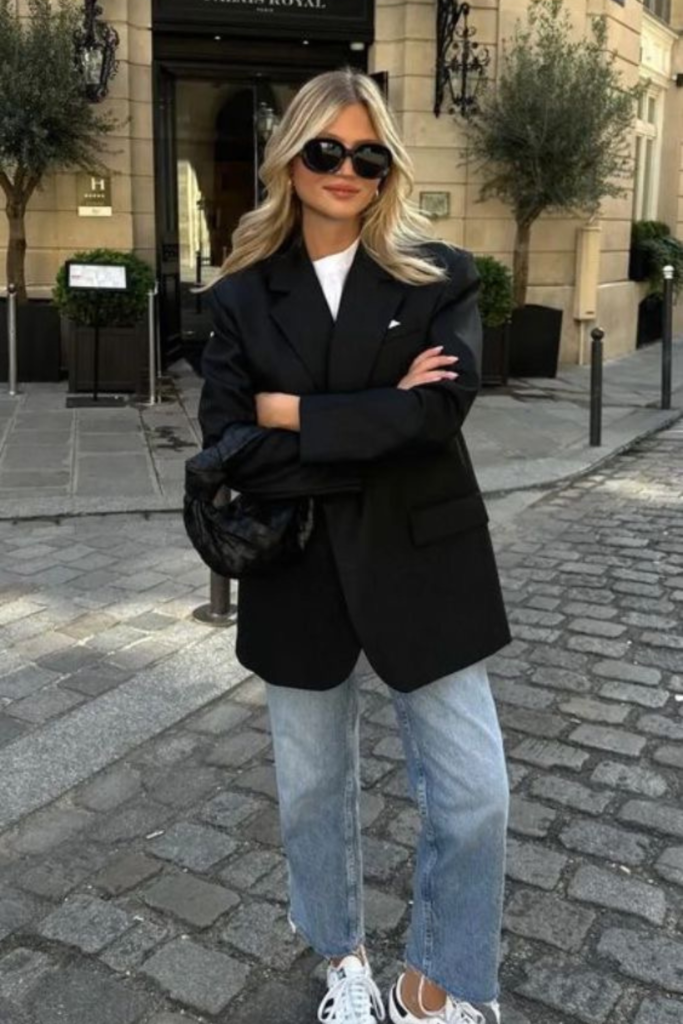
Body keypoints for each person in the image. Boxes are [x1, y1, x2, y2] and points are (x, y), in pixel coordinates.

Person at [195, 68, 511, 1024]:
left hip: (426, 560)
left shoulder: (439, 275)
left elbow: (439, 415)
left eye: (367, 155)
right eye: (325, 149)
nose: (346, 169)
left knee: (476, 793)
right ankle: (344, 958)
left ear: (387, 170)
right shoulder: (242, 296)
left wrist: (294, 414)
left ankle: (433, 983)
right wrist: (378, 418)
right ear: (290, 159)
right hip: (295, 569)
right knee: (311, 796)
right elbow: (230, 447)